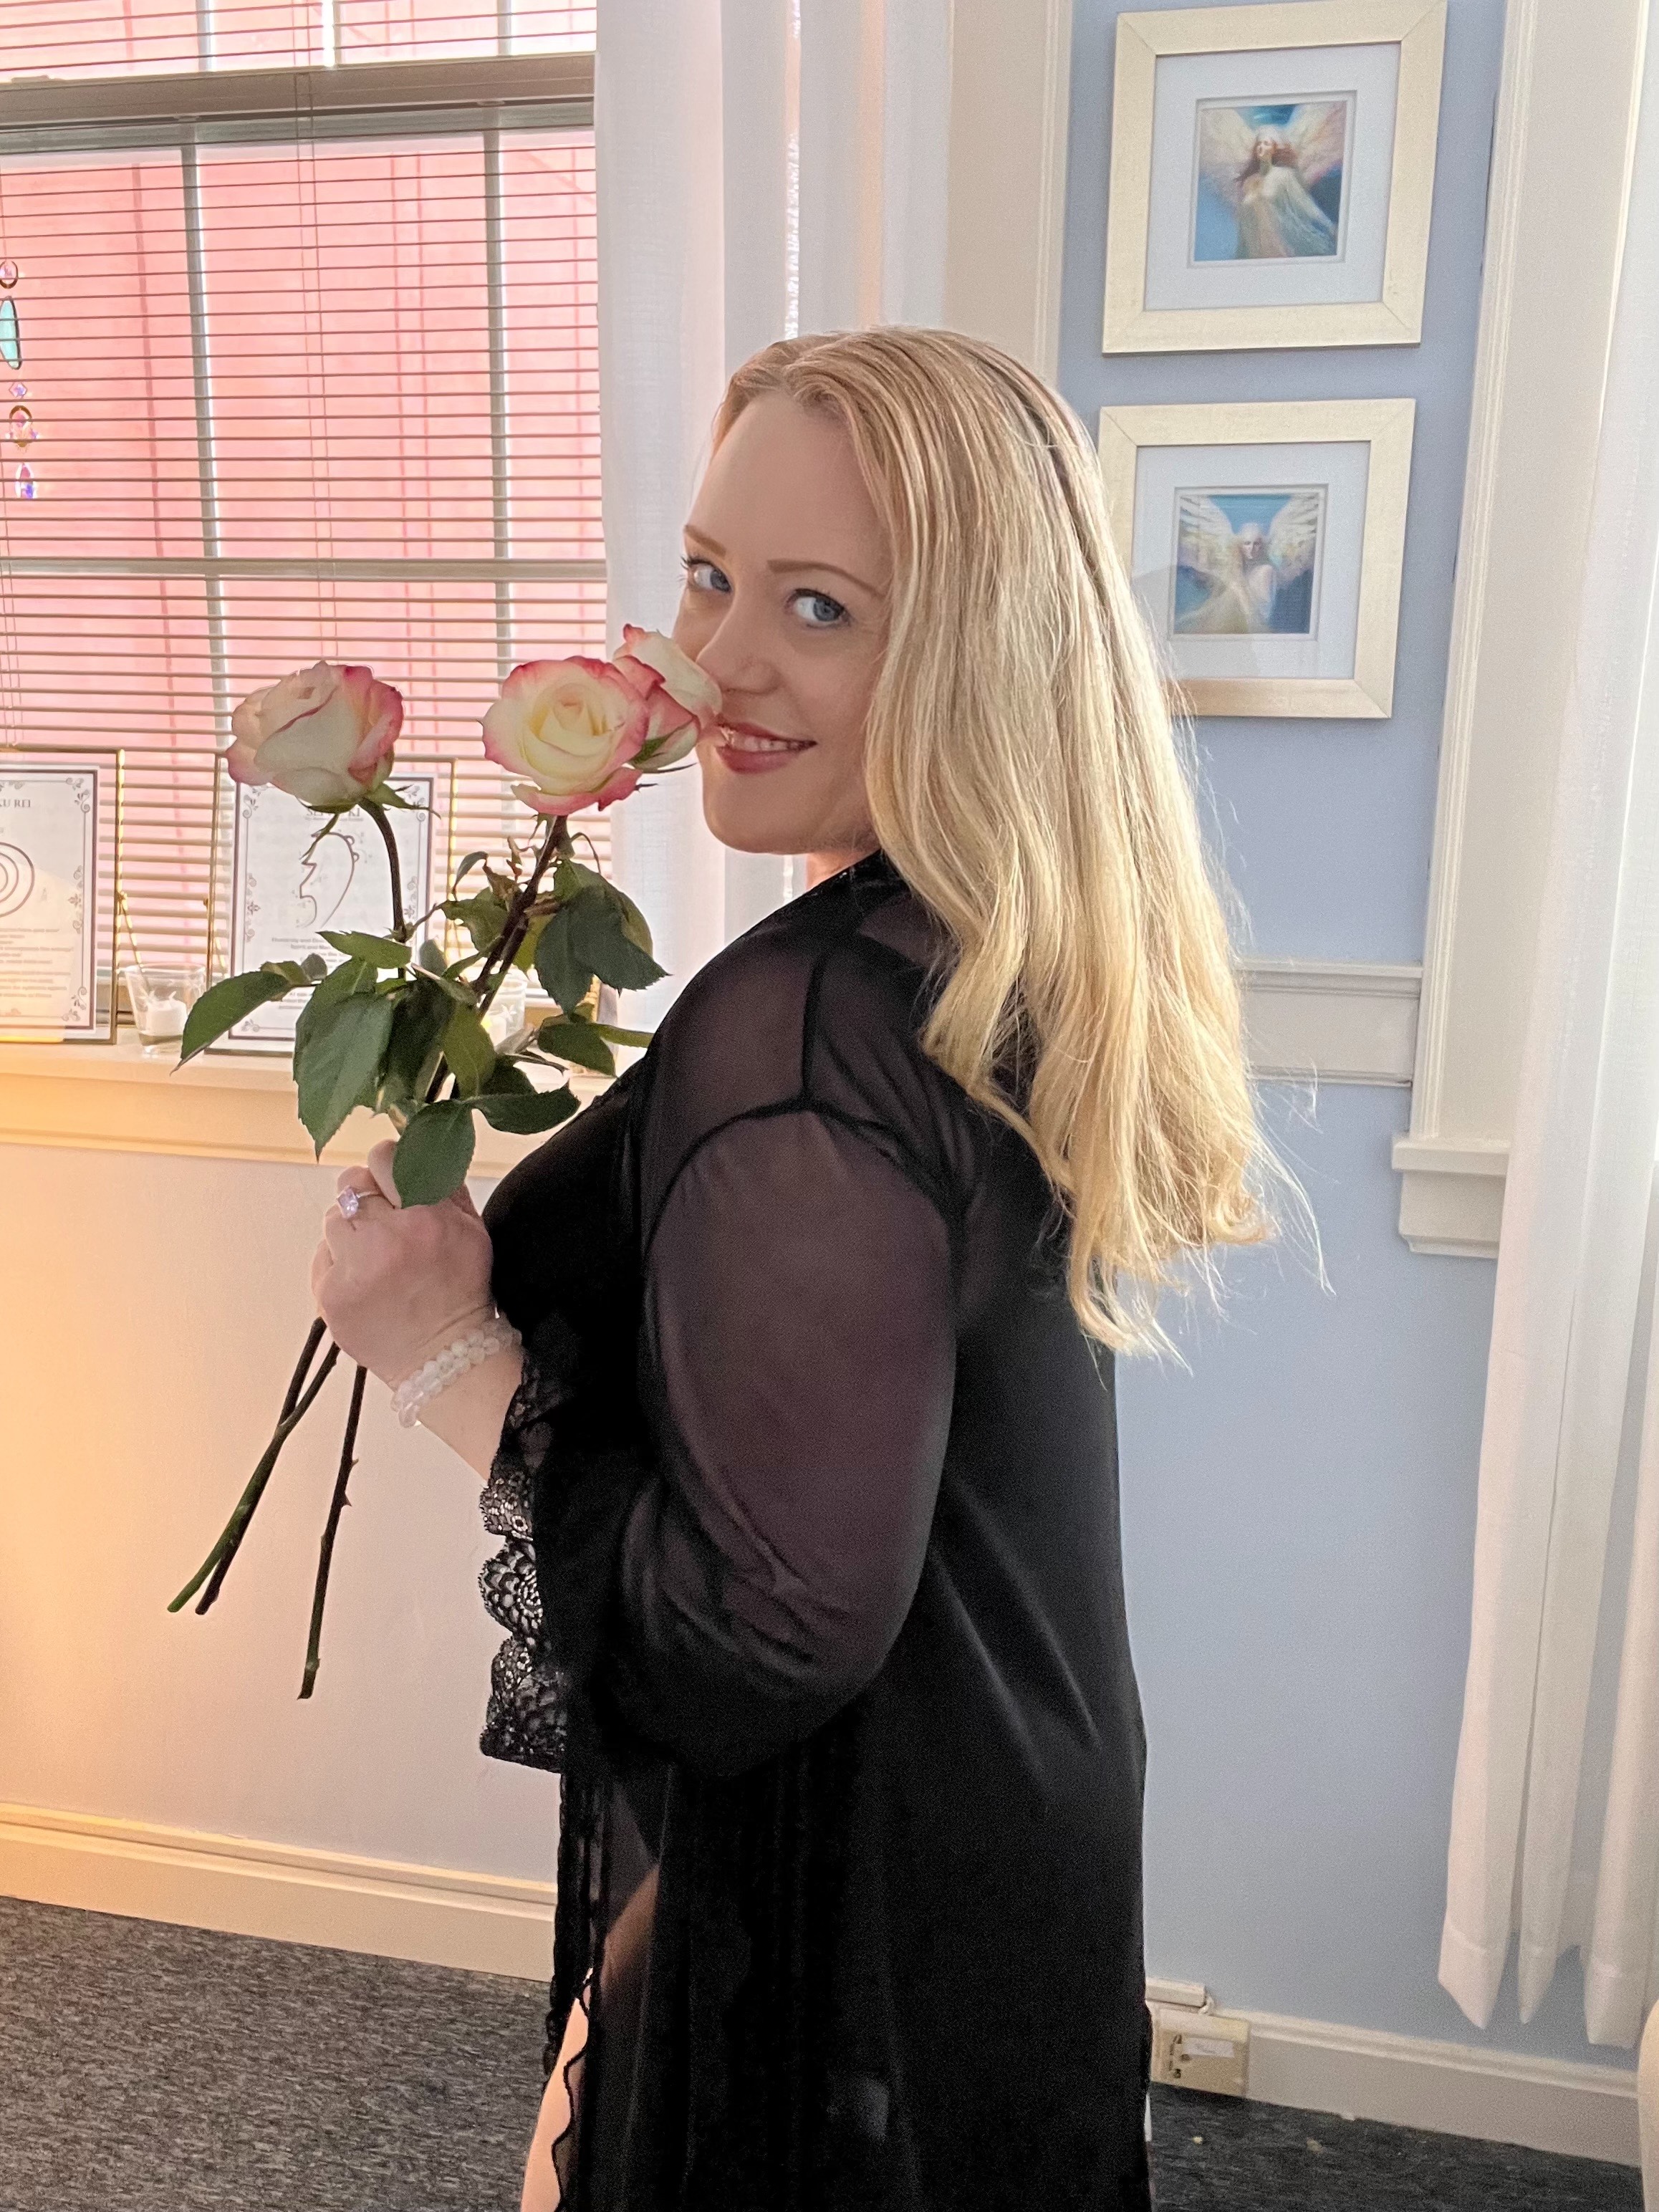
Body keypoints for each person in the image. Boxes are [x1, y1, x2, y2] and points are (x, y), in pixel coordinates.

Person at [310, 327, 1279, 2211]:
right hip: (1002, 1799)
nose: (720, 662)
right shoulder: (976, 953)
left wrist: (434, 1349)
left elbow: (756, 1629)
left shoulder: (820, 1021)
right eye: (707, 576)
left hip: (867, 1882)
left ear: (971, 658)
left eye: (818, 607)